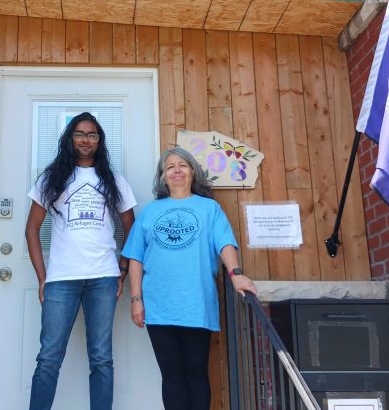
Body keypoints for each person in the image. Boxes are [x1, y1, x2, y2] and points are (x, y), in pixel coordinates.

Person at [122, 147, 257, 410]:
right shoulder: (150, 212)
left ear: (193, 172)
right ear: (162, 177)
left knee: (196, 373)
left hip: (196, 301)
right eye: (170, 166)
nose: (176, 170)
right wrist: (136, 299)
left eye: (182, 165)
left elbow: (225, 244)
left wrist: (236, 275)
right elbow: (135, 258)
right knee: (171, 375)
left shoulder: (209, 208)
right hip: (158, 304)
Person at [26, 112, 136, 410]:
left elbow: (132, 231)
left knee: (101, 358)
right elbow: (31, 229)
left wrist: (122, 271)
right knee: (48, 357)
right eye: (79, 134)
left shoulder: (113, 180)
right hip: (61, 280)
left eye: (92, 135)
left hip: (103, 277)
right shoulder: (52, 178)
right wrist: (42, 278)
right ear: (69, 138)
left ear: (99, 141)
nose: (86, 140)